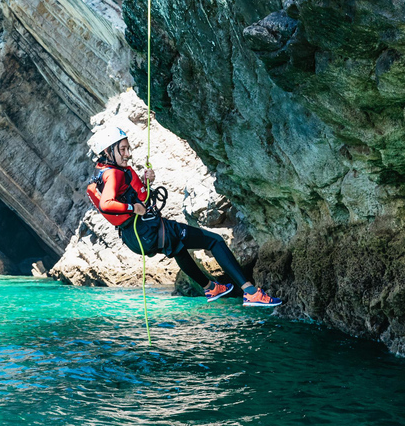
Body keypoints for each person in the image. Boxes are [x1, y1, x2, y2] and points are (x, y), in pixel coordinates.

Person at [86, 126, 282, 307]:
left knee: (178, 249)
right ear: (107, 151)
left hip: (134, 238)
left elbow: (140, 197)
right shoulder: (115, 174)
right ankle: (250, 292)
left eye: (128, 149)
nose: (128, 154)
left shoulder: (101, 174)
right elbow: (107, 204)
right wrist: (133, 207)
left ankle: (211, 288)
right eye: (122, 149)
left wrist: (146, 182)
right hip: (149, 229)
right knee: (215, 241)